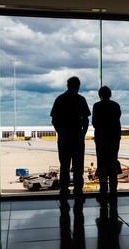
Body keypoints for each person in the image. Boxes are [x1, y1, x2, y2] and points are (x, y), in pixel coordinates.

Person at [50, 76, 91, 207]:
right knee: (78, 167)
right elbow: (86, 120)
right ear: (78, 86)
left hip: (64, 139)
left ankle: (64, 190)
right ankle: (78, 191)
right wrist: (82, 134)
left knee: (64, 166)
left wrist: (62, 133)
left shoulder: (60, 99)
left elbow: (54, 120)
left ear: (67, 85)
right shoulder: (81, 100)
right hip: (77, 138)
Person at [92, 86, 121, 207]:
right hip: (113, 140)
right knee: (113, 166)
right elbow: (117, 119)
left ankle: (103, 193)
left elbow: (94, 123)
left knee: (102, 167)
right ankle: (113, 193)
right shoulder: (116, 105)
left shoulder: (97, 106)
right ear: (110, 94)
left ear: (100, 95)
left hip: (102, 140)